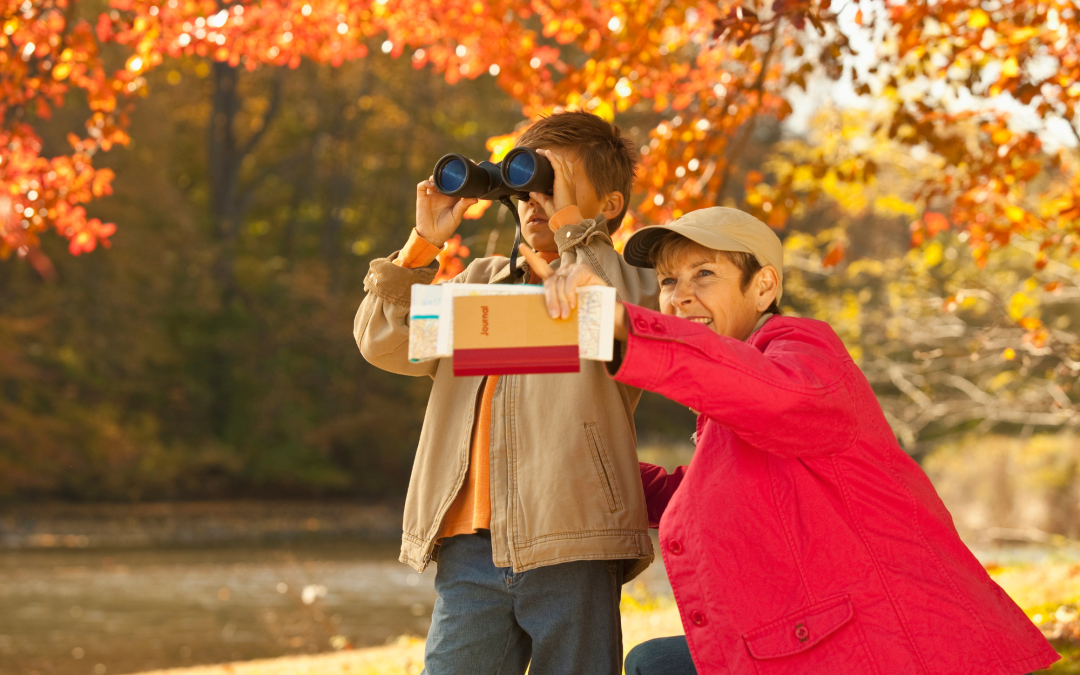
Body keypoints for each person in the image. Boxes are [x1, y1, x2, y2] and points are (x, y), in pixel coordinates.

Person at [520, 206, 1060, 675]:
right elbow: (726, 489)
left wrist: (623, 324)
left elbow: (775, 397)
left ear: (764, 286)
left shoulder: (802, 350)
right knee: (654, 663)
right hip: (824, 641)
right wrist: (594, 472)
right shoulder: (733, 391)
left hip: (895, 647)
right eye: (666, 282)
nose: (679, 298)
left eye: (703, 274)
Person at [354, 110, 659, 675]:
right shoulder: (478, 285)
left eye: (554, 184)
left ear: (610, 204)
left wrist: (574, 231)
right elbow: (382, 340)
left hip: (575, 537)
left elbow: (616, 322)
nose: (534, 200)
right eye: (526, 185)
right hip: (469, 546)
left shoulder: (630, 285)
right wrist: (422, 246)